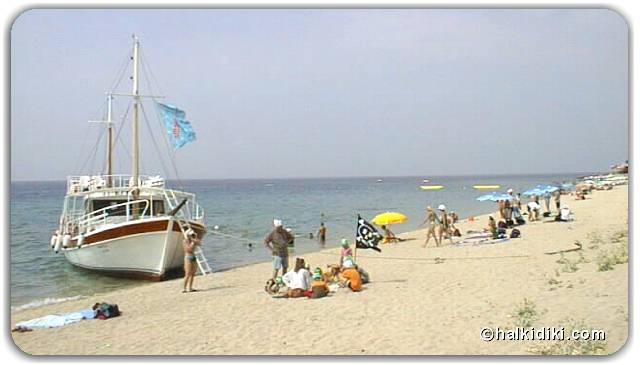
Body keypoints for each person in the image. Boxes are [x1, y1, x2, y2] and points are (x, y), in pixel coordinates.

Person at [182, 228, 201, 293]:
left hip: (193, 257)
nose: (191, 236)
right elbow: (188, 250)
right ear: (187, 235)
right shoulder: (185, 241)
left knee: (193, 274)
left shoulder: (193, 240)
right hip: (188, 258)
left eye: (192, 234)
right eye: (190, 235)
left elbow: (200, 243)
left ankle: (190, 288)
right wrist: (193, 243)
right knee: (187, 273)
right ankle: (184, 288)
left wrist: (195, 237)